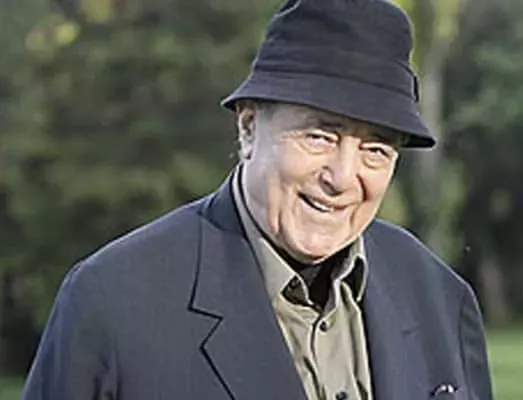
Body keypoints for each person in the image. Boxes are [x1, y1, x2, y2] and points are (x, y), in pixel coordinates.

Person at [22, 0, 494, 399]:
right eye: (320, 136)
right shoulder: (112, 303)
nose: (342, 178)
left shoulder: (441, 300)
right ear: (248, 128)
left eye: (375, 150)